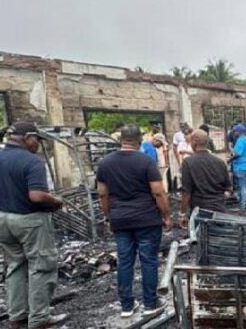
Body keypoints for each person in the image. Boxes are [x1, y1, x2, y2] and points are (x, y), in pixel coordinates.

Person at [0, 122, 67, 329]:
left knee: (15, 266)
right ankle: (39, 318)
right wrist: (55, 201)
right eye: (36, 140)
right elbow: (36, 196)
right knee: (41, 265)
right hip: (29, 220)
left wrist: (7, 197)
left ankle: (17, 316)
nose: (37, 144)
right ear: (28, 137)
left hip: (3, 218)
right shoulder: (32, 161)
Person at [96, 125, 171, 318]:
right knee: (148, 260)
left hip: (121, 220)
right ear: (139, 140)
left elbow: (103, 195)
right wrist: (166, 216)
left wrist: (109, 217)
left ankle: (127, 307)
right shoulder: (146, 161)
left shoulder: (105, 163)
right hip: (146, 219)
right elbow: (158, 192)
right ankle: (150, 304)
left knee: (125, 262)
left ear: (121, 140)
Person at [179, 129, 232, 239]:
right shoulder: (220, 162)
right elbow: (228, 188)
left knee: (202, 244)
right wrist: (220, 198)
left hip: (200, 212)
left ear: (194, 142)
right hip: (219, 211)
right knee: (220, 243)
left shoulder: (188, 162)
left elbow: (186, 192)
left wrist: (182, 213)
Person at [229, 124, 246, 211]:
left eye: (235, 131)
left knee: (242, 187)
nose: (234, 133)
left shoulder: (240, 141)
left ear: (239, 132)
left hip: (240, 167)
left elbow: (238, 154)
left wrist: (230, 160)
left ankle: (242, 206)